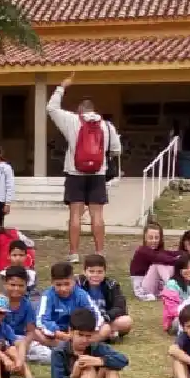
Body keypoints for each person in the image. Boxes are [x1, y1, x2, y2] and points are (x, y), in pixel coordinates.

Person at [45, 72, 122, 262]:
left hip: (75, 173)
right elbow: (116, 150)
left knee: (75, 215)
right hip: (98, 174)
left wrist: (62, 86)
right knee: (97, 215)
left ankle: (73, 253)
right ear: (94, 110)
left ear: (80, 111)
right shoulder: (107, 125)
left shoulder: (72, 120)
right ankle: (100, 251)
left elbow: (51, 107)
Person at [1, 266, 49, 378]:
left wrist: (25, 343)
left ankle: (19, 362)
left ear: (26, 285)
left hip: (20, 339)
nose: (16, 289)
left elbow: (30, 332)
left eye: (20, 285)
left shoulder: (27, 305)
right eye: (12, 285)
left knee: (48, 356)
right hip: (2, 340)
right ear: (5, 284)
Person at [35, 261, 104, 348]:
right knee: (36, 332)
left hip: (78, 333)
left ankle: (78, 344)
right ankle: (70, 346)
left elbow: (96, 315)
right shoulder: (47, 296)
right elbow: (41, 320)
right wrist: (58, 333)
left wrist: (82, 334)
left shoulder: (81, 294)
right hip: (56, 334)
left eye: (67, 284)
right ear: (52, 282)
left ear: (73, 281)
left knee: (105, 328)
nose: (63, 289)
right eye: (58, 285)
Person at [77, 254, 131, 338]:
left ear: (105, 272)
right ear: (84, 272)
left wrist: (104, 317)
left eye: (99, 272)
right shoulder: (78, 284)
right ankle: (104, 336)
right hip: (84, 321)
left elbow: (120, 307)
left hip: (104, 320)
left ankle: (93, 337)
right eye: (91, 271)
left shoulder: (112, 285)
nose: (95, 275)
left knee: (126, 321)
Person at [129, 222, 179, 300]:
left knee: (169, 265)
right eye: (150, 237)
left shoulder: (157, 251)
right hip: (142, 288)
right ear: (145, 238)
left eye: (156, 238)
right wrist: (178, 259)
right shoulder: (142, 251)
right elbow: (162, 258)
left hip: (154, 284)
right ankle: (172, 288)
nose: (154, 240)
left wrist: (184, 255)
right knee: (158, 264)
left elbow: (170, 253)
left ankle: (177, 287)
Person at [161, 253, 190, 333]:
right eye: (186, 268)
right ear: (179, 270)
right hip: (176, 319)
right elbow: (172, 310)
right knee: (178, 322)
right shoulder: (172, 285)